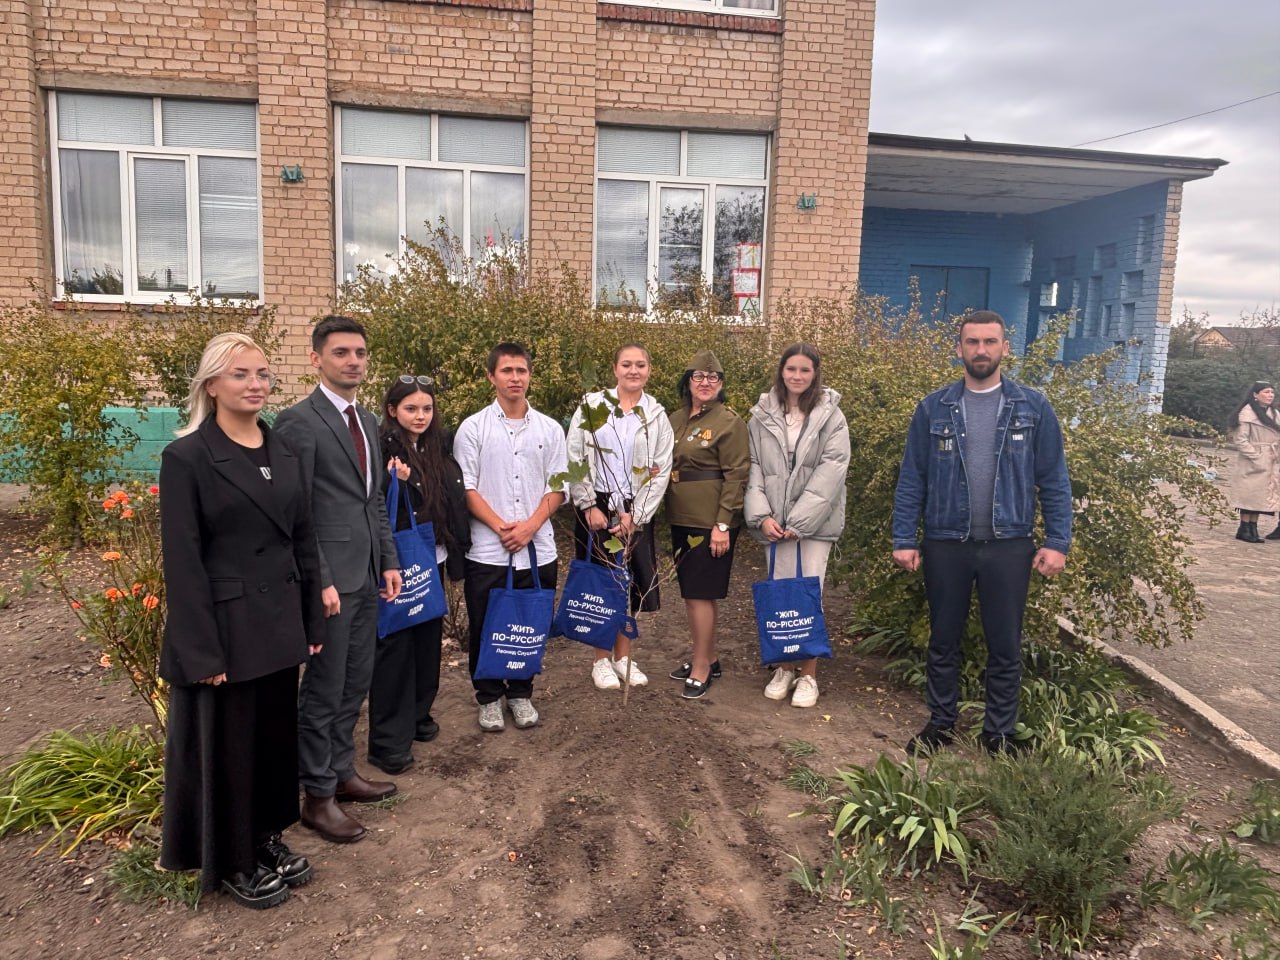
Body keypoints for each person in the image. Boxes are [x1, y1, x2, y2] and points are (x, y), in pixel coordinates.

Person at [157, 333, 324, 908]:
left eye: (262, 374)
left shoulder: (283, 453)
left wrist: (312, 624)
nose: (255, 384)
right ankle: (231, 857)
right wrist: (201, 654)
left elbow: (304, 540)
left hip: (278, 623)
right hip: (225, 632)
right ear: (211, 385)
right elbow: (182, 563)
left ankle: (263, 836)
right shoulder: (187, 458)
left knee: (273, 741)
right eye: (240, 375)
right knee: (228, 748)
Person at [891, 311, 1072, 755]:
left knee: (1005, 642)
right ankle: (940, 723)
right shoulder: (933, 407)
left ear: (1005, 348)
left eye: (990, 342)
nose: (981, 350)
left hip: (1009, 544)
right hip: (945, 542)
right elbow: (912, 476)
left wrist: (1057, 540)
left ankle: (999, 733)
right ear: (959, 349)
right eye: (972, 342)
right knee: (943, 638)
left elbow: (1054, 478)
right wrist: (903, 537)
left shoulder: (1033, 406)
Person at [274, 316, 402, 844]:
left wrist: (389, 559)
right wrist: (317, 579)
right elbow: (295, 511)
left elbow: (372, 498)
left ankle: (343, 772)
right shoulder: (297, 422)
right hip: (328, 583)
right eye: (342, 352)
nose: (354, 361)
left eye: (360, 353)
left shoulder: (368, 420)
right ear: (317, 360)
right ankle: (317, 796)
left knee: (355, 680)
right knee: (323, 689)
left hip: (367, 573)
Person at [454, 342, 567, 731]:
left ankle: (520, 694)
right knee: (486, 624)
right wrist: (504, 526)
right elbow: (466, 488)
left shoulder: (550, 429)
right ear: (491, 376)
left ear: (529, 375)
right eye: (506, 371)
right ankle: (488, 696)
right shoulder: (473, 428)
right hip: (489, 550)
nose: (515, 378)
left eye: (521, 370)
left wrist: (531, 525)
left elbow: (559, 486)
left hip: (537, 549)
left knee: (528, 625)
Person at [367, 376, 471, 774]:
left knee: (427, 636)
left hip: (433, 555)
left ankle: (417, 715)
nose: (421, 416)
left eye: (426, 409)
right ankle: (388, 740)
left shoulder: (435, 445)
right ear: (393, 410)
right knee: (395, 644)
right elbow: (381, 505)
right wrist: (407, 483)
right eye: (411, 409)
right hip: (397, 561)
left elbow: (448, 497)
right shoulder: (382, 449)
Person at [744, 343, 850, 709]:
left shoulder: (831, 416)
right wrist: (762, 517)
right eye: (792, 369)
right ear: (781, 371)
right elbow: (754, 468)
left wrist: (800, 521)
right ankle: (783, 668)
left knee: (808, 595)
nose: (798, 377)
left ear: (815, 373)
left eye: (805, 370)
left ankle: (808, 676)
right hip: (774, 524)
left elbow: (832, 471)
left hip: (813, 526)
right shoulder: (761, 416)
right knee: (780, 594)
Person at [566, 344, 674, 690]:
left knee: (628, 583)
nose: (633, 370)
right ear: (614, 369)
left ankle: (623, 656)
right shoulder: (592, 407)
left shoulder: (656, 415)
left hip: (635, 508)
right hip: (597, 506)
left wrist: (636, 517)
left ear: (649, 369)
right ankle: (600, 659)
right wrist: (588, 505)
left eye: (640, 364)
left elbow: (660, 469)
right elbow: (575, 456)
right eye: (626, 364)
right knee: (601, 584)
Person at [665, 349, 750, 700]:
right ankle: (708, 656)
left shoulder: (729, 421)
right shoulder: (675, 417)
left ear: (721, 384)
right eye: (698, 377)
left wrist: (723, 524)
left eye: (712, 378)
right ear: (687, 382)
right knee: (693, 594)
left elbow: (737, 474)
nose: (705, 383)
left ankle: (701, 667)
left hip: (709, 521)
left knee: (700, 595)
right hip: (680, 517)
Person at [1229, 380, 1280, 543]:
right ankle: (1244, 528)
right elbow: (1240, 439)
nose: (1270, 395)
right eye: (1266, 392)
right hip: (1253, 459)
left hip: (1270, 458)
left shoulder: (1274, 413)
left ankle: (1253, 527)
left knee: (1259, 495)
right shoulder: (1246, 414)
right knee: (1248, 494)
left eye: (1272, 392)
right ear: (1255, 395)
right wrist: (1256, 456)